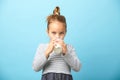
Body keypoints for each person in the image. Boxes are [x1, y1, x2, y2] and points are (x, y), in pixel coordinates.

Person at [32, 6, 81, 80]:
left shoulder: (69, 48)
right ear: (47, 32)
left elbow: (77, 68)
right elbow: (35, 68)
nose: (57, 36)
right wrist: (47, 52)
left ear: (65, 33)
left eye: (61, 33)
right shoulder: (42, 47)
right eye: (53, 33)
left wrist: (66, 53)